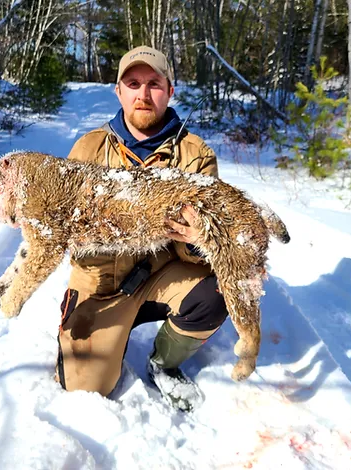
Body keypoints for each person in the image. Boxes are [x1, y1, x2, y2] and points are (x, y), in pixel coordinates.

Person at [57, 45, 228, 412]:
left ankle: (164, 362)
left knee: (220, 289)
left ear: (170, 90)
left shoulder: (195, 155)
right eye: (132, 83)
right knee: (86, 388)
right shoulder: (88, 148)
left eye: (154, 83)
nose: (143, 94)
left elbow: (205, 244)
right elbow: (59, 225)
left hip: (156, 274)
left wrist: (200, 240)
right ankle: (90, 331)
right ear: (118, 91)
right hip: (99, 285)